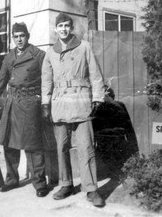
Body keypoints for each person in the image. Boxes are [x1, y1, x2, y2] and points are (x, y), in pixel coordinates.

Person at [41, 12, 106, 207]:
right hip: (60, 104)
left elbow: (95, 74)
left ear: (71, 28)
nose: (63, 29)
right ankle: (66, 184)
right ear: (55, 29)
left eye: (67, 25)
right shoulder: (50, 52)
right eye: (60, 26)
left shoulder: (84, 47)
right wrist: (45, 103)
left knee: (86, 146)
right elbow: (46, 80)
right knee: (61, 147)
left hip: (80, 102)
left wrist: (98, 98)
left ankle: (91, 189)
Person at [0, 22, 48, 197]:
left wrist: (42, 99)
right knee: (10, 145)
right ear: (13, 37)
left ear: (28, 36)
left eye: (22, 36)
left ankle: (39, 183)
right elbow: (1, 81)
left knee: (33, 145)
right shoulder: (9, 57)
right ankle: (12, 179)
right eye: (16, 36)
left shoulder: (38, 55)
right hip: (12, 103)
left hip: (30, 103)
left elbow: (48, 79)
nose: (19, 39)